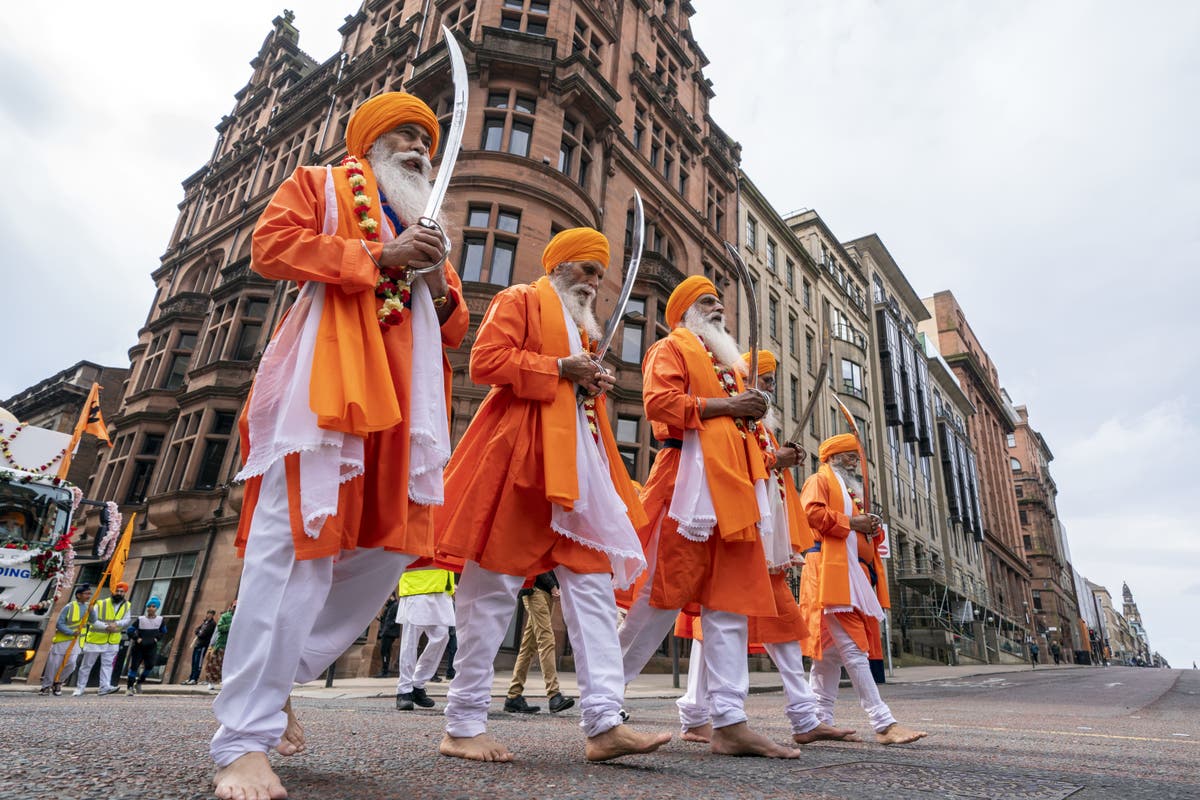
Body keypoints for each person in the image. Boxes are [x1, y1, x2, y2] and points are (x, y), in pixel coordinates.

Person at [210, 90, 469, 800]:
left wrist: (435, 282)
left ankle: (279, 676)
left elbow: (452, 322)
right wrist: (378, 254)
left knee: (385, 553)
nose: (420, 147)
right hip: (326, 388)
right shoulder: (319, 185)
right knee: (297, 552)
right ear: (370, 144)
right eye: (406, 136)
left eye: (427, 139)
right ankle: (242, 740)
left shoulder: (427, 221)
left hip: (406, 409)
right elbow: (271, 246)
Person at [436, 227, 670, 763]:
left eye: (599, 274)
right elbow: (485, 362)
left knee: (591, 589)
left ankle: (605, 722)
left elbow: (571, 390)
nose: (594, 282)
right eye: (586, 270)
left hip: (580, 474)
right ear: (560, 266)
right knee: (492, 589)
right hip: (519, 463)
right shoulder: (518, 298)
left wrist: (588, 380)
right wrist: (559, 369)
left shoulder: (584, 333)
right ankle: (463, 724)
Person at [617, 277, 798, 759]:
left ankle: (730, 721)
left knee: (730, 604)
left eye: (720, 302)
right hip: (683, 487)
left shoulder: (732, 367)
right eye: (706, 301)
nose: (718, 307)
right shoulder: (669, 348)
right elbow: (659, 406)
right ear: (683, 313)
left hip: (735, 492)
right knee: (659, 596)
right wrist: (730, 406)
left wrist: (754, 417)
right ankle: (604, 703)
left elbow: (744, 432)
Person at [671, 352, 856, 747]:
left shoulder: (760, 426)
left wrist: (778, 458)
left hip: (764, 538)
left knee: (764, 624)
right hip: (736, 528)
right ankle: (692, 712)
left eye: (771, 382)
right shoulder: (735, 414)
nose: (769, 388)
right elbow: (736, 458)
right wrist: (777, 459)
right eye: (765, 380)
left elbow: (759, 462)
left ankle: (797, 715)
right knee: (716, 621)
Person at [799, 435, 926, 745]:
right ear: (832, 458)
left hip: (847, 572)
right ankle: (883, 723)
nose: (855, 461)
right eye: (849, 455)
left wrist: (870, 527)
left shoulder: (847, 492)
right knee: (854, 647)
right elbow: (811, 514)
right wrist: (854, 523)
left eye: (855, 456)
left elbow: (854, 530)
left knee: (829, 655)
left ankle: (822, 721)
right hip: (829, 571)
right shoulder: (819, 480)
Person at [505, 571, 575, 714]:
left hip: (546, 593)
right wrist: (553, 586)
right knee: (547, 641)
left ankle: (513, 696)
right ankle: (554, 694)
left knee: (528, 647)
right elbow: (538, 561)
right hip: (535, 590)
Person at [394, 566, 455, 710]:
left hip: (441, 589)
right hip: (417, 587)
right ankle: (404, 691)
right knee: (410, 642)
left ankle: (417, 684)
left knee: (442, 636)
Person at [74, 581, 131, 696]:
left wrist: (117, 624)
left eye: (122, 591)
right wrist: (106, 627)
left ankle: (104, 687)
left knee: (107, 665)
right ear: (112, 591)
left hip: (113, 640)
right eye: (117, 591)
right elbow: (92, 620)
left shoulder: (127, 605)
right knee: (87, 665)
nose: (119, 593)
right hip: (96, 639)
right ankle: (80, 688)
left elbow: (127, 619)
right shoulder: (101, 603)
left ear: (125, 593)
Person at [40, 583, 92, 696]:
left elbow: (93, 620)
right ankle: (46, 686)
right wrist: (71, 632)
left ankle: (58, 682)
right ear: (78, 595)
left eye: (90, 594)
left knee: (71, 664)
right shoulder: (69, 607)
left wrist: (92, 611)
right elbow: (59, 623)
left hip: (77, 641)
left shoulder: (89, 607)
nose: (89, 596)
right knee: (53, 664)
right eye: (86, 594)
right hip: (62, 640)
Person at [126, 596, 168, 694]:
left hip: (151, 647)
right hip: (139, 647)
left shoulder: (160, 620)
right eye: (149, 606)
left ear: (157, 608)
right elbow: (130, 630)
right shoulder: (140, 619)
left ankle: (139, 682)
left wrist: (156, 638)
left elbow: (163, 632)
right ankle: (129, 688)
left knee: (149, 666)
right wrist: (137, 638)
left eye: (153, 606)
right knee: (134, 666)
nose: (151, 608)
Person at [204, 601, 235, 690]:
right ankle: (211, 682)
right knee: (214, 664)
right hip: (222, 644)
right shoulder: (225, 616)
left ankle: (225, 681)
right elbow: (220, 628)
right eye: (234, 607)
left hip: (233, 646)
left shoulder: (240, 617)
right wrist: (231, 626)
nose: (235, 609)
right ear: (231, 607)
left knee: (227, 666)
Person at [184, 609, 217, 685]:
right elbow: (197, 630)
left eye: (210, 614)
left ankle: (195, 678)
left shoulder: (212, 624)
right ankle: (191, 677)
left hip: (203, 645)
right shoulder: (205, 622)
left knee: (198, 662)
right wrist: (199, 632)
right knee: (194, 662)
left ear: (212, 615)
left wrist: (199, 633)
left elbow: (203, 634)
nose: (208, 615)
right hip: (197, 644)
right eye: (208, 613)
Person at [375, 593, 400, 678]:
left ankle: (384, 671)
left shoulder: (395, 605)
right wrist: (379, 618)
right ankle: (384, 670)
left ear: (391, 596)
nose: (386, 599)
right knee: (384, 651)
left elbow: (395, 619)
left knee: (385, 651)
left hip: (389, 633)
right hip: (386, 632)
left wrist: (387, 626)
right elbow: (386, 620)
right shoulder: (389, 606)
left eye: (387, 597)